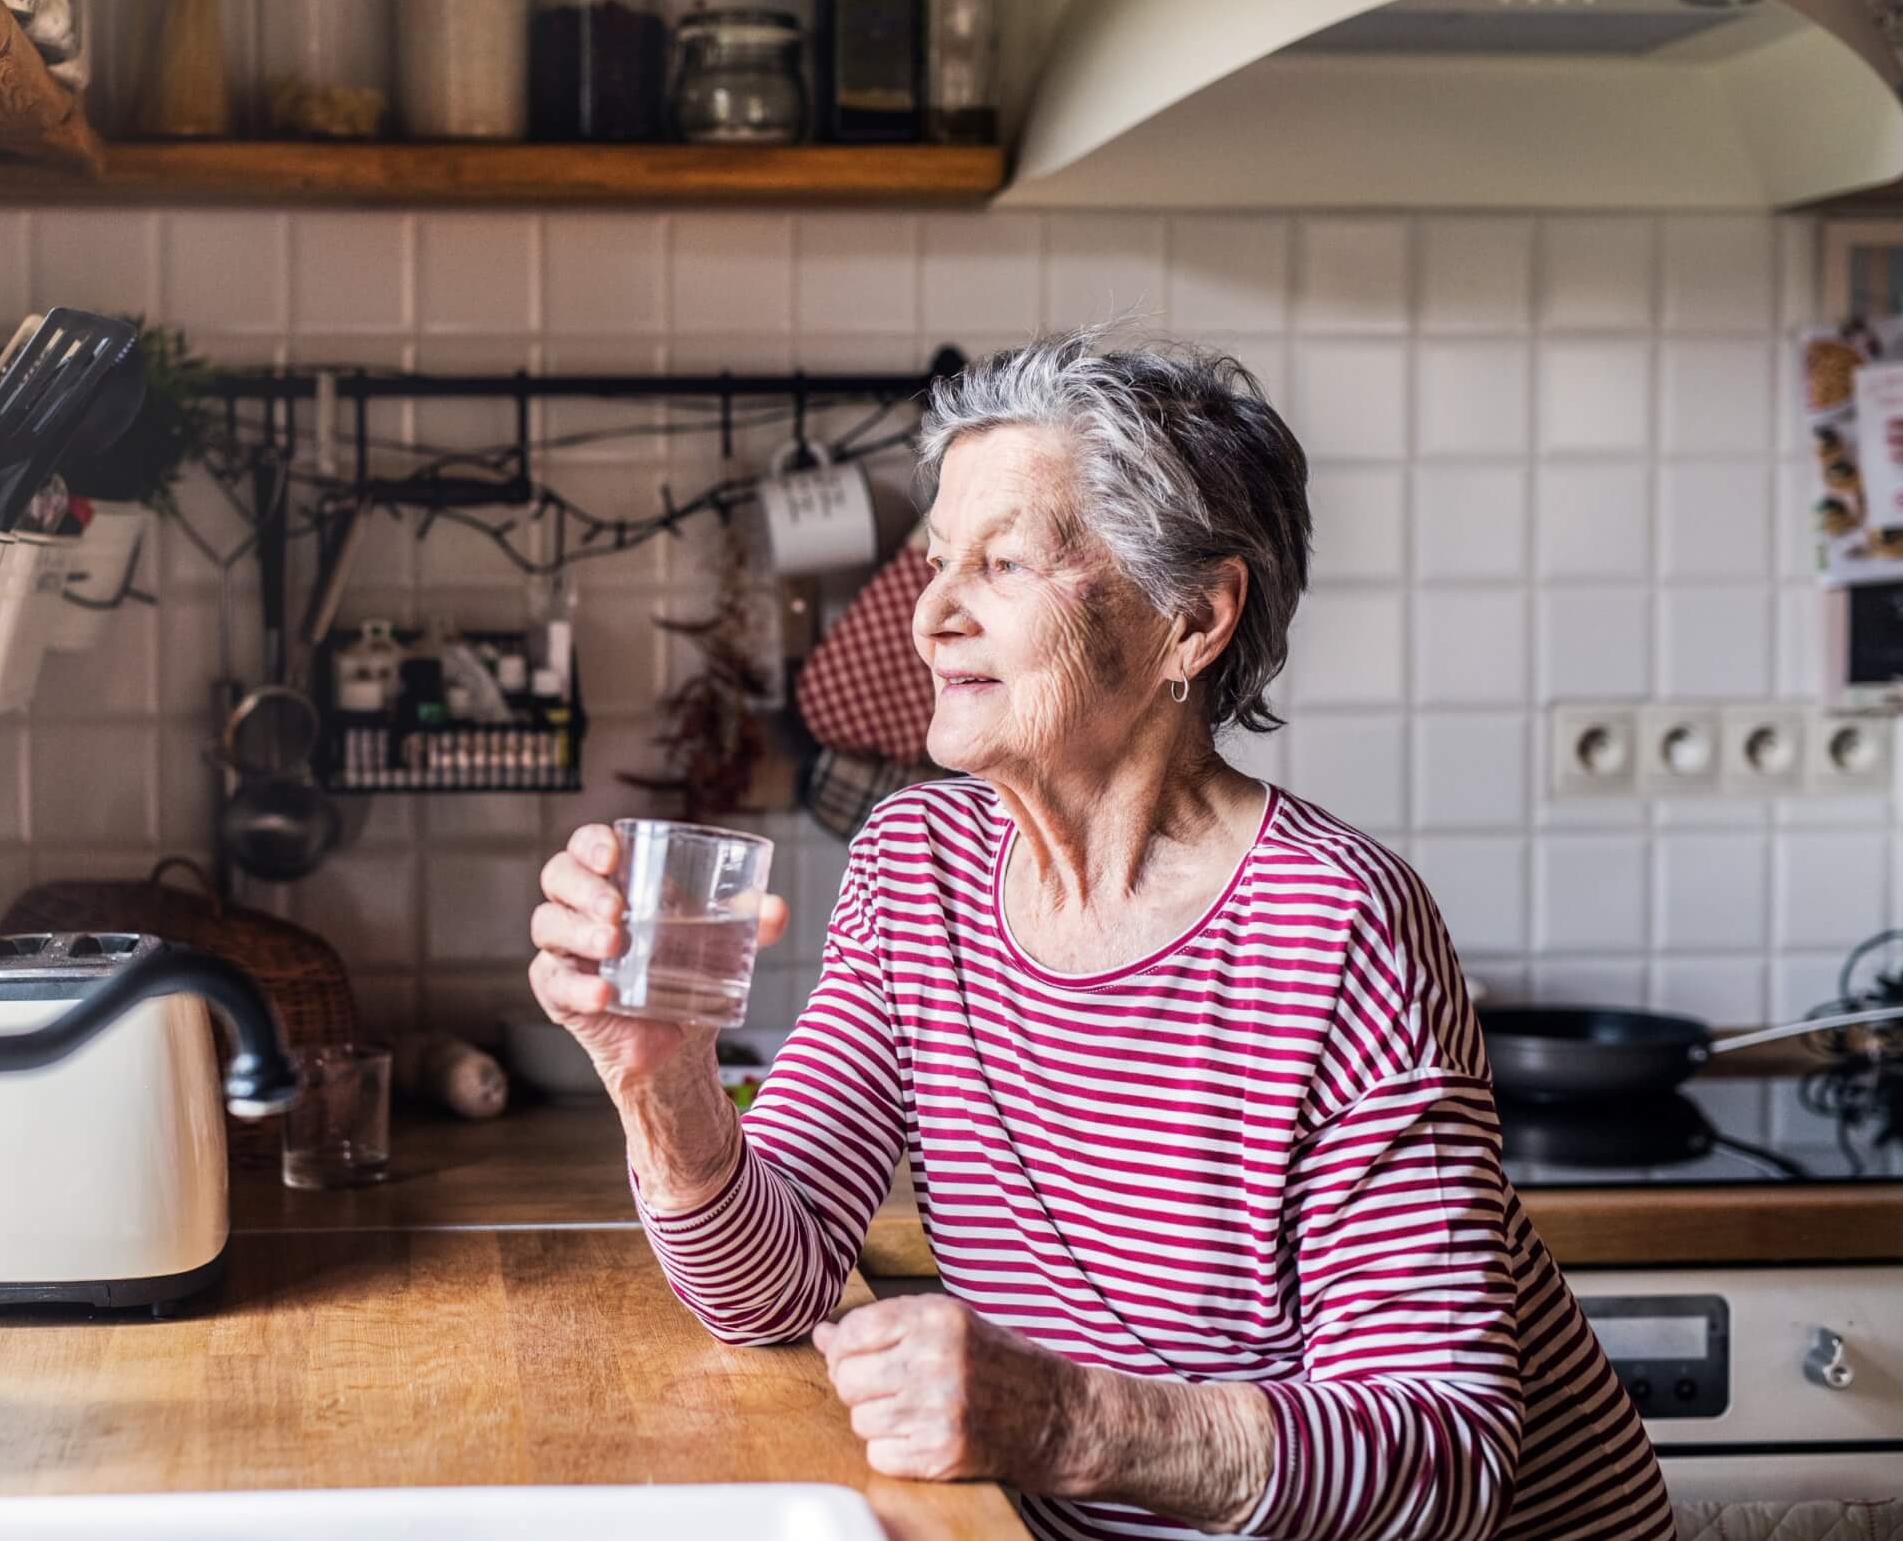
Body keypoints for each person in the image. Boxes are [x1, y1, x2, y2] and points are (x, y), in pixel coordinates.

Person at [529, 329, 1676, 1541]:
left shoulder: (1335, 927)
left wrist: (1062, 1424)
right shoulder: (917, 868)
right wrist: (660, 1086)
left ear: (1191, 617)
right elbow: (771, 1287)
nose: (929, 618)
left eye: (1004, 563)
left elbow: (1440, 1465)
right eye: (936, 561)